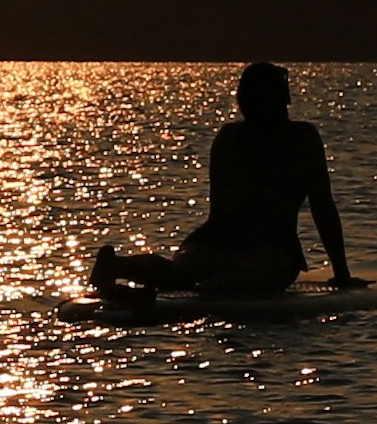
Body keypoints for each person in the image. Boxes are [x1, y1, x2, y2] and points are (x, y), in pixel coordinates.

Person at [90, 61, 358, 303]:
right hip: (270, 248)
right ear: (282, 99)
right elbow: (322, 207)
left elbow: (222, 206)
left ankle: (117, 266)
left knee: (179, 272)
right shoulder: (303, 138)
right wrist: (341, 274)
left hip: (213, 241)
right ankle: (207, 290)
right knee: (238, 275)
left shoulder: (229, 136)